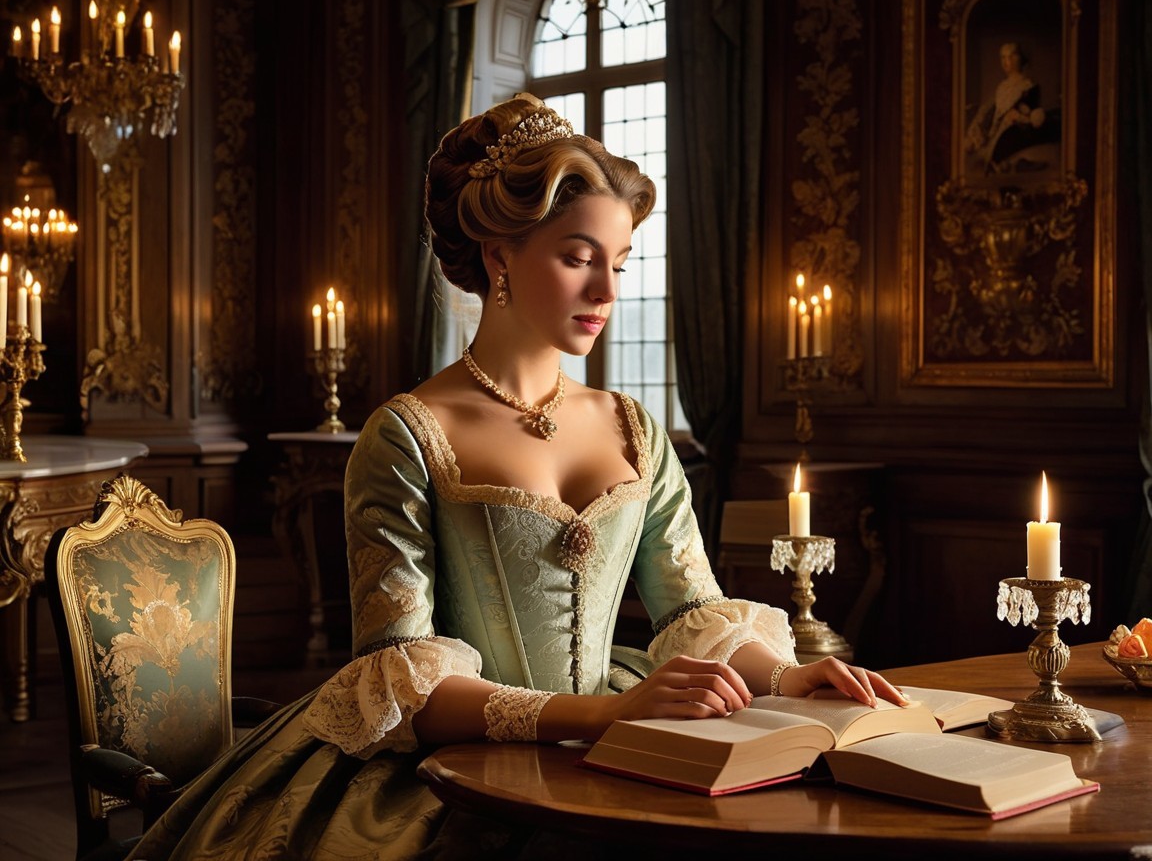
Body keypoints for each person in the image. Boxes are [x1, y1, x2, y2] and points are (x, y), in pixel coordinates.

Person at [128, 92, 906, 861]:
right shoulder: (406, 435)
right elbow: (404, 678)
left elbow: (694, 610)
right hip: (446, 769)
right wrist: (603, 716)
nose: (606, 292)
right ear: (500, 255)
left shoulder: (634, 430)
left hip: (618, 734)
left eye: (620, 263)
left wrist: (783, 679)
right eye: (577, 258)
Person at [965, 42, 1059, 175]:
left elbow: (1030, 114)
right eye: (1003, 57)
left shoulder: (1028, 86)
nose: (1006, 62)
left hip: (1015, 130)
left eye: (1010, 57)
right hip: (995, 132)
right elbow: (990, 110)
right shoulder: (1001, 87)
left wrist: (1018, 117)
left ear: (1019, 59)